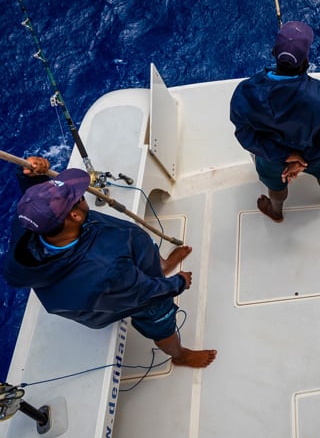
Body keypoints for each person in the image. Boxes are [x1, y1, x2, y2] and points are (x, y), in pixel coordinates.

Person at [3, 157, 217, 368]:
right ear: (75, 215)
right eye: (77, 196)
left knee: (146, 255)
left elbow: (39, 206)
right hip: (126, 293)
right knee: (159, 318)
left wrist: (31, 178)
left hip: (122, 272)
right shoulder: (106, 269)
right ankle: (179, 356)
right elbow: (146, 293)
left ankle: (161, 266)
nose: (82, 193)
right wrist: (178, 283)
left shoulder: (29, 226)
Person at [230, 21, 320, 223]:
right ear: (306, 59)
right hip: (316, 155)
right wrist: (302, 161)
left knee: (276, 185)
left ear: (274, 52)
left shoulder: (245, 92)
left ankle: (276, 212)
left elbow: (245, 135)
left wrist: (286, 157)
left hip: (272, 158)